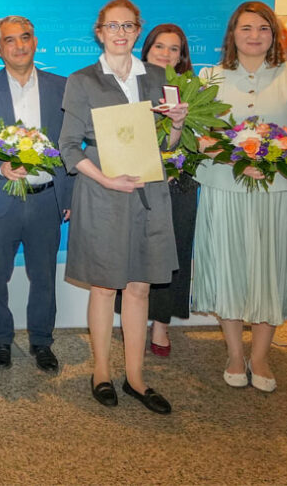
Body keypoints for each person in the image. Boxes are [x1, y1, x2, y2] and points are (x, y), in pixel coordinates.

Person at [59, 0, 188, 415]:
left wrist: (180, 123)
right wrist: (105, 179)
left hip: (150, 192)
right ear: (100, 32)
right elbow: (67, 146)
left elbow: (167, 143)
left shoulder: (157, 76)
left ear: (137, 30)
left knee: (140, 287)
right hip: (101, 192)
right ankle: (101, 372)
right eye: (112, 26)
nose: (120, 33)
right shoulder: (82, 80)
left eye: (128, 26)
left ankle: (135, 377)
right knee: (104, 285)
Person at [190, 2, 287, 394]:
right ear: (233, 34)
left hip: (279, 191)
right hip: (225, 187)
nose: (254, 35)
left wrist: (273, 161)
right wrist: (236, 159)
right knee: (230, 268)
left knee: (269, 270)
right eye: (246, 28)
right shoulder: (210, 75)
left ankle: (260, 355)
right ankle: (234, 353)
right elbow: (201, 135)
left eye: (263, 28)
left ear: (274, 33)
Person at [0, 16, 72, 372]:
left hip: (46, 199)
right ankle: (0, 339)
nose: (19, 45)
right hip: (0, 198)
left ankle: (41, 340)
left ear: (35, 42)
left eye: (26, 38)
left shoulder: (61, 87)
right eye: (10, 40)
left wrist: (70, 195)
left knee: (44, 275)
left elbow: (72, 144)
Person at [114, 24, 198, 356]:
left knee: (172, 256)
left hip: (179, 185)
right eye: (159, 47)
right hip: (139, 185)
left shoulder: (194, 90)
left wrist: (175, 167)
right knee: (133, 254)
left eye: (174, 48)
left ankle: (161, 324)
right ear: (146, 50)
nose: (165, 53)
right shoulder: (131, 86)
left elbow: (202, 139)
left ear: (182, 56)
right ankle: (133, 320)